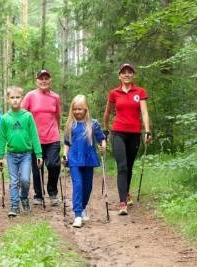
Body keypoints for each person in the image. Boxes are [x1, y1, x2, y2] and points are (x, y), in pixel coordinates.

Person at [103, 63, 151, 216]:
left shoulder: (140, 92)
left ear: (133, 75)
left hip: (134, 133)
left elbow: (144, 112)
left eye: (130, 72)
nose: (127, 75)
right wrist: (105, 128)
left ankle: (126, 192)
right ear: (120, 76)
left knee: (129, 166)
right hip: (118, 133)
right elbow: (108, 112)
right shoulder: (114, 93)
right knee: (122, 166)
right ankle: (122, 202)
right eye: (124, 72)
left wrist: (147, 130)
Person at [0, 86, 43, 217]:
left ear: (22, 99)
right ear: (8, 99)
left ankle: (23, 196)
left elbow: (34, 135)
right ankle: (14, 205)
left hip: (26, 155)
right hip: (11, 155)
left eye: (17, 97)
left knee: (25, 180)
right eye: (12, 98)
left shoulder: (28, 116)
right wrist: (1, 156)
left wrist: (39, 154)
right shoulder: (5, 118)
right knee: (13, 181)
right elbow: (2, 138)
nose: (15, 100)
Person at [63, 95, 106, 228]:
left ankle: (82, 207)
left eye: (80, 109)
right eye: (75, 109)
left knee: (87, 187)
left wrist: (103, 146)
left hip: (88, 158)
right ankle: (77, 215)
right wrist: (64, 155)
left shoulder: (93, 124)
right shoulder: (70, 124)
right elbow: (66, 143)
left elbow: (101, 138)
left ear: (86, 109)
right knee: (78, 185)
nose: (77, 112)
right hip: (74, 158)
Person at [21, 69, 62, 206]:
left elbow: (58, 116)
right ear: (36, 81)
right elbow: (22, 115)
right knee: (37, 167)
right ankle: (38, 195)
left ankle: (52, 192)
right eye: (41, 78)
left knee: (53, 164)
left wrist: (58, 130)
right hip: (35, 139)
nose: (44, 80)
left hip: (52, 137)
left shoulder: (55, 97)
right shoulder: (30, 96)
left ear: (50, 80)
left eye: (46, 78)